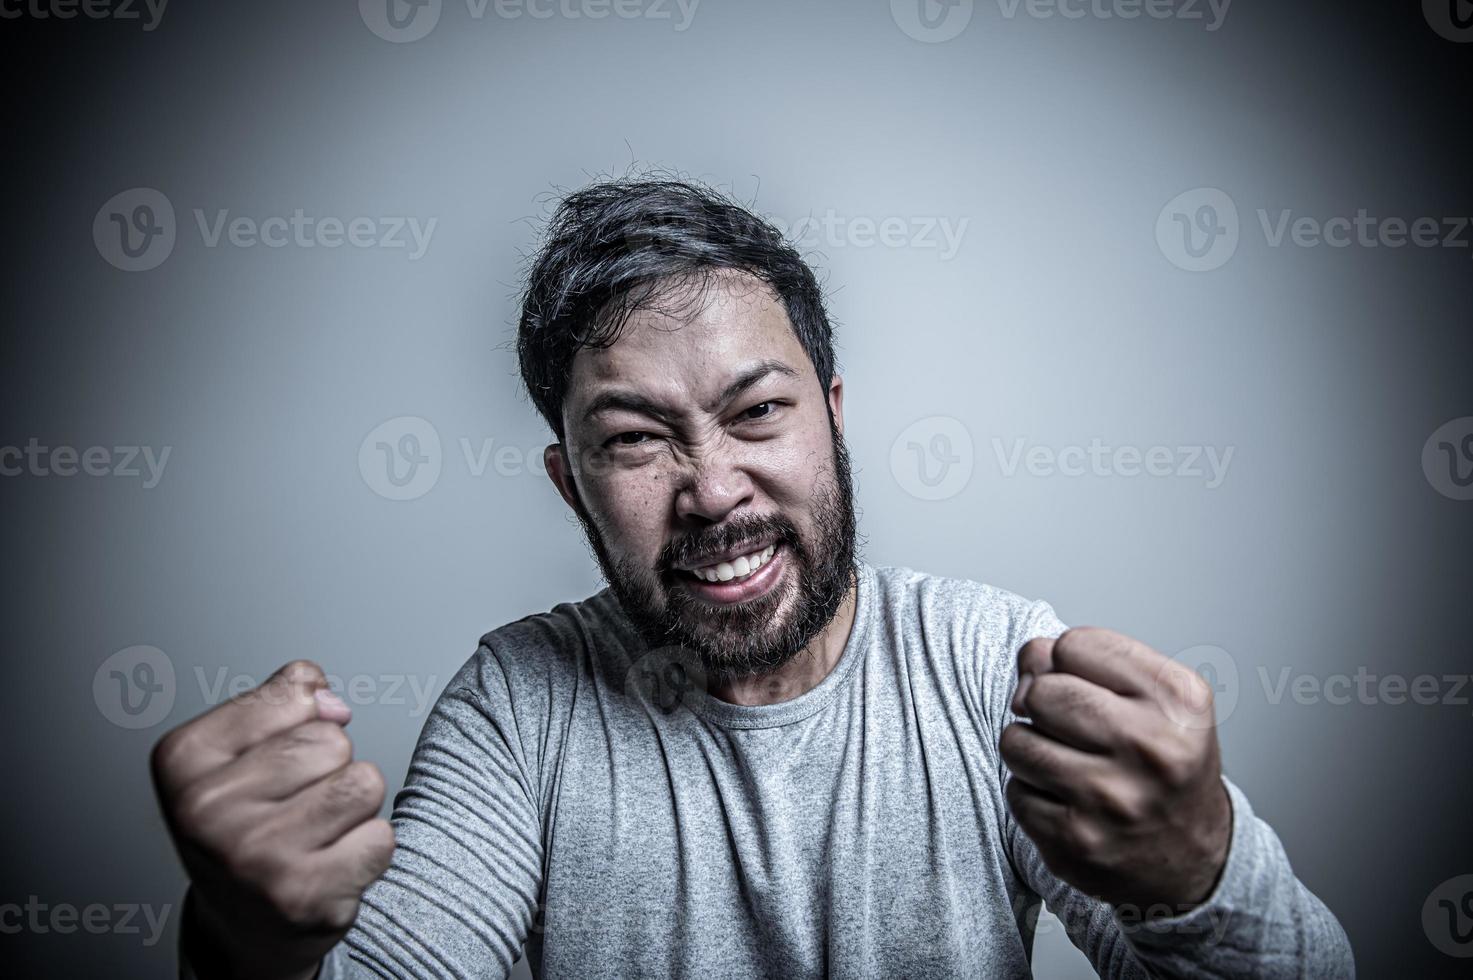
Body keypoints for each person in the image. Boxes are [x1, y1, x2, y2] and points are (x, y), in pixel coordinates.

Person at [152, 177, 1355, 979]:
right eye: (634, 439)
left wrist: (1197, 872)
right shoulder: (518, 704)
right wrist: (246, 947)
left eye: (757, 411)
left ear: (832, 418)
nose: (714, 487)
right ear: (571, 483)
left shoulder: (990, 662)